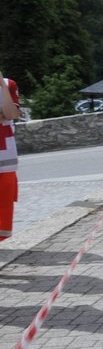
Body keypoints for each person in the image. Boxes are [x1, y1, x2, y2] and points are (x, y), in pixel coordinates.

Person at [0, 71, 21, 240]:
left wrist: (1, 85)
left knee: (5, 200)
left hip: (4, 155)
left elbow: (12, 114)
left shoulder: (8, 84)